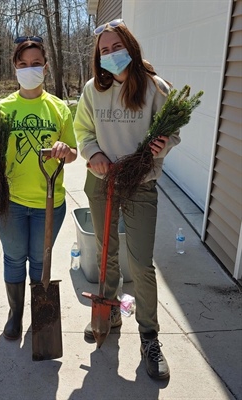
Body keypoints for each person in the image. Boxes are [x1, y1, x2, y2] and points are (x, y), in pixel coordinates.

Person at [74, 19, 180, 380]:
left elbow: (171, 130)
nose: (110, 54)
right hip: (102, 181)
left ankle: (149, 336)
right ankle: (109, 311)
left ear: (131, 49)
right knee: (106, 253)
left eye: (116, 47)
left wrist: (163, 145)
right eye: (104, 50)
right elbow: (82, 129)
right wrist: (92, 154)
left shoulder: (155, 88)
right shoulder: (93, 90)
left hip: (140, 184)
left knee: (141, 263)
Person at [0, 36, 77, 341]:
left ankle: (39, 312)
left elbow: (73, 153)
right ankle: (16, 314)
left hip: (49, 202)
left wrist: (64, 150)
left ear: (46, 68)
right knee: (13, 258)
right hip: (10, 202)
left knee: (40, 260)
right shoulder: (2, 110)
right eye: (23, 64)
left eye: (36, 64)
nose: (29, 69)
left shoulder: (59, 109)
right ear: (15, 68)